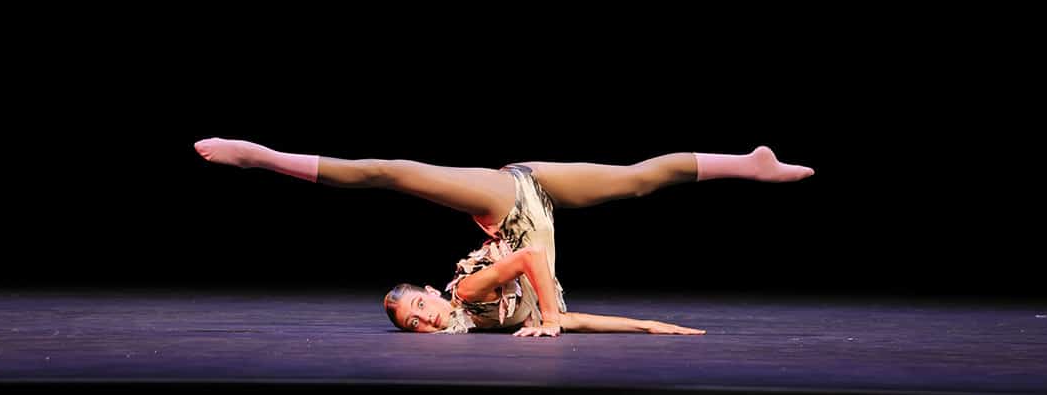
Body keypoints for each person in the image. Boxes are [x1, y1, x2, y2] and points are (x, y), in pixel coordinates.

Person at [194, 138, 814, 337]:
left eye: (420, 304)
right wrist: (654, 327)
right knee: (637, 180)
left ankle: (259, 156)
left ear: (432, 291)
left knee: (389, 173)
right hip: (539, 190)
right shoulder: (489, 326)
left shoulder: (466, 294)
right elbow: (573, 320)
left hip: (505, 204)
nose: (426, 318)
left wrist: (550, 319)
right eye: (414, 322)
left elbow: (532, 256)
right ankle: (749, 164)